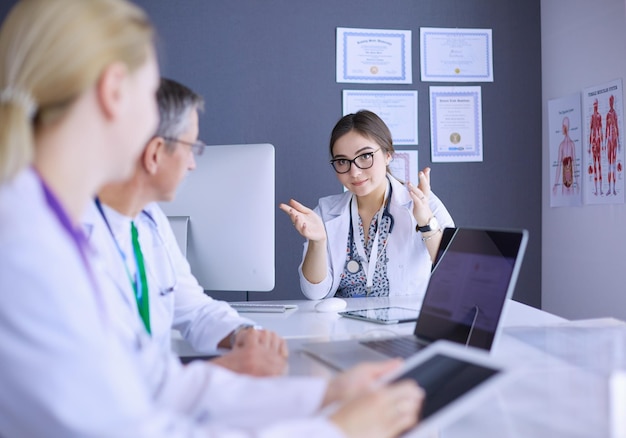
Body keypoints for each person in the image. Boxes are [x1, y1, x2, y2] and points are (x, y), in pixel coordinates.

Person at [0, 1, 424, 436]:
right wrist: (339, 430)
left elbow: (157, 384)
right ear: (114, 93)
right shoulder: (27, 249)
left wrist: (326, 395)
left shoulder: (49, 223)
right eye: (150, 96)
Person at [83, 77, 288, 377]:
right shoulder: (74, 237)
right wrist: (221, 369)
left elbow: (195, 309)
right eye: (191, 147)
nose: (193, 164)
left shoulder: (149, 220)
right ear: (155, 153)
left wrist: (243, 334)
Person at [280, 110, 454, 300]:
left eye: (364, 156)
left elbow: (456, 273)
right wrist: (318, 242)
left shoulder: (423, 202)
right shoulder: (325, 211)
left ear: (388, 154)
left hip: (400, 323)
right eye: (342, 161)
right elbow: (315, 293)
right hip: (343, 325)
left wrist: (425, 221)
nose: (354, 172)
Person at [552, 116, 579, 196]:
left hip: (571, 181)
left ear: (566, 127)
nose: (562, 128)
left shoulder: (571, 144)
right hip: (564, 182)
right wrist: (555, 184)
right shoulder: (561, 145)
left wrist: (577, 183)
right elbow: (558, 166)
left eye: (563, 126)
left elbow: (575, 164)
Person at [605, 94, 620, 196]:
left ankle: (613, 188)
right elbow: (606, 128)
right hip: (609, 142)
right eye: (610, 101)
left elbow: (617, 127)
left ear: (613, 102)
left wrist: (619, 142)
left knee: (613, 165)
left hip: (614, 141)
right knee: (609, 166)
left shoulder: (614, 114)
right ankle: (609, 189)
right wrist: (605, 141)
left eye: (612, 101)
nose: (611, 103)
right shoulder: (607, 115)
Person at [588, 98, 604, 195]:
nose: (595, 106)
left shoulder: (599, 116)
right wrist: (589, 145)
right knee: (594, 165)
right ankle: (596, 190)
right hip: (594, 143)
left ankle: (601, 189)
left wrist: (602, 144)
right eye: (594, 105)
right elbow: (590, 131)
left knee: (599, 166)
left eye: (596, 105)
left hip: (598, 142)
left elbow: (601, 129)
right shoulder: (592, 117)